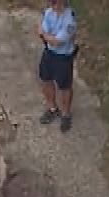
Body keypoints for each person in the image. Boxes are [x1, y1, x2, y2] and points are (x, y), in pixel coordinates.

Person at [37, 0, 78, 133]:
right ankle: (52, 108)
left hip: (64, 57)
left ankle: (66, 114)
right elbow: (41, 32)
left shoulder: (69, 20)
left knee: (64, 86)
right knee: (45, 79)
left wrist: (46, 35)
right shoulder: (49, 12)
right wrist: (47, 36)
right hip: (49, 53)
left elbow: (57, 42)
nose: (52, 3)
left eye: (55, 2)